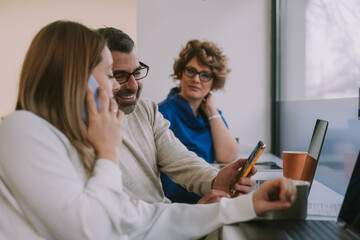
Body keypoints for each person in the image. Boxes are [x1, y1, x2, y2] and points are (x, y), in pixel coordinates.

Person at [0, 20, 298, 240]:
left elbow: (135, 216)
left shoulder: (83, 136)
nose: (120, 86)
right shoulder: (22, 129)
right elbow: (91, 230)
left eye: (134, 73)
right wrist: (107, 152)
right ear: (77, 79)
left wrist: (249, 204)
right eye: (111, 75)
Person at [97, 27, 253, 205]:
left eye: (137, 72)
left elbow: (180, 160)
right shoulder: (84, 127)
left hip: (169, 216)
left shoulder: (147, 110)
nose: (133, 85)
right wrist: (195, 214)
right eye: (120, 75)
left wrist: (215, 180)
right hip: (160, 221)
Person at [158, 40, 239, 203]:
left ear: (214, 81)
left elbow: (228, 156)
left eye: (205, 75)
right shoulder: (162, 113)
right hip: (180, 203)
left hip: (212, 193)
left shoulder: (212, 115)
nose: (196, 79)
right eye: (191, 71)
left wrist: (211, 111)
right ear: (181, 73)